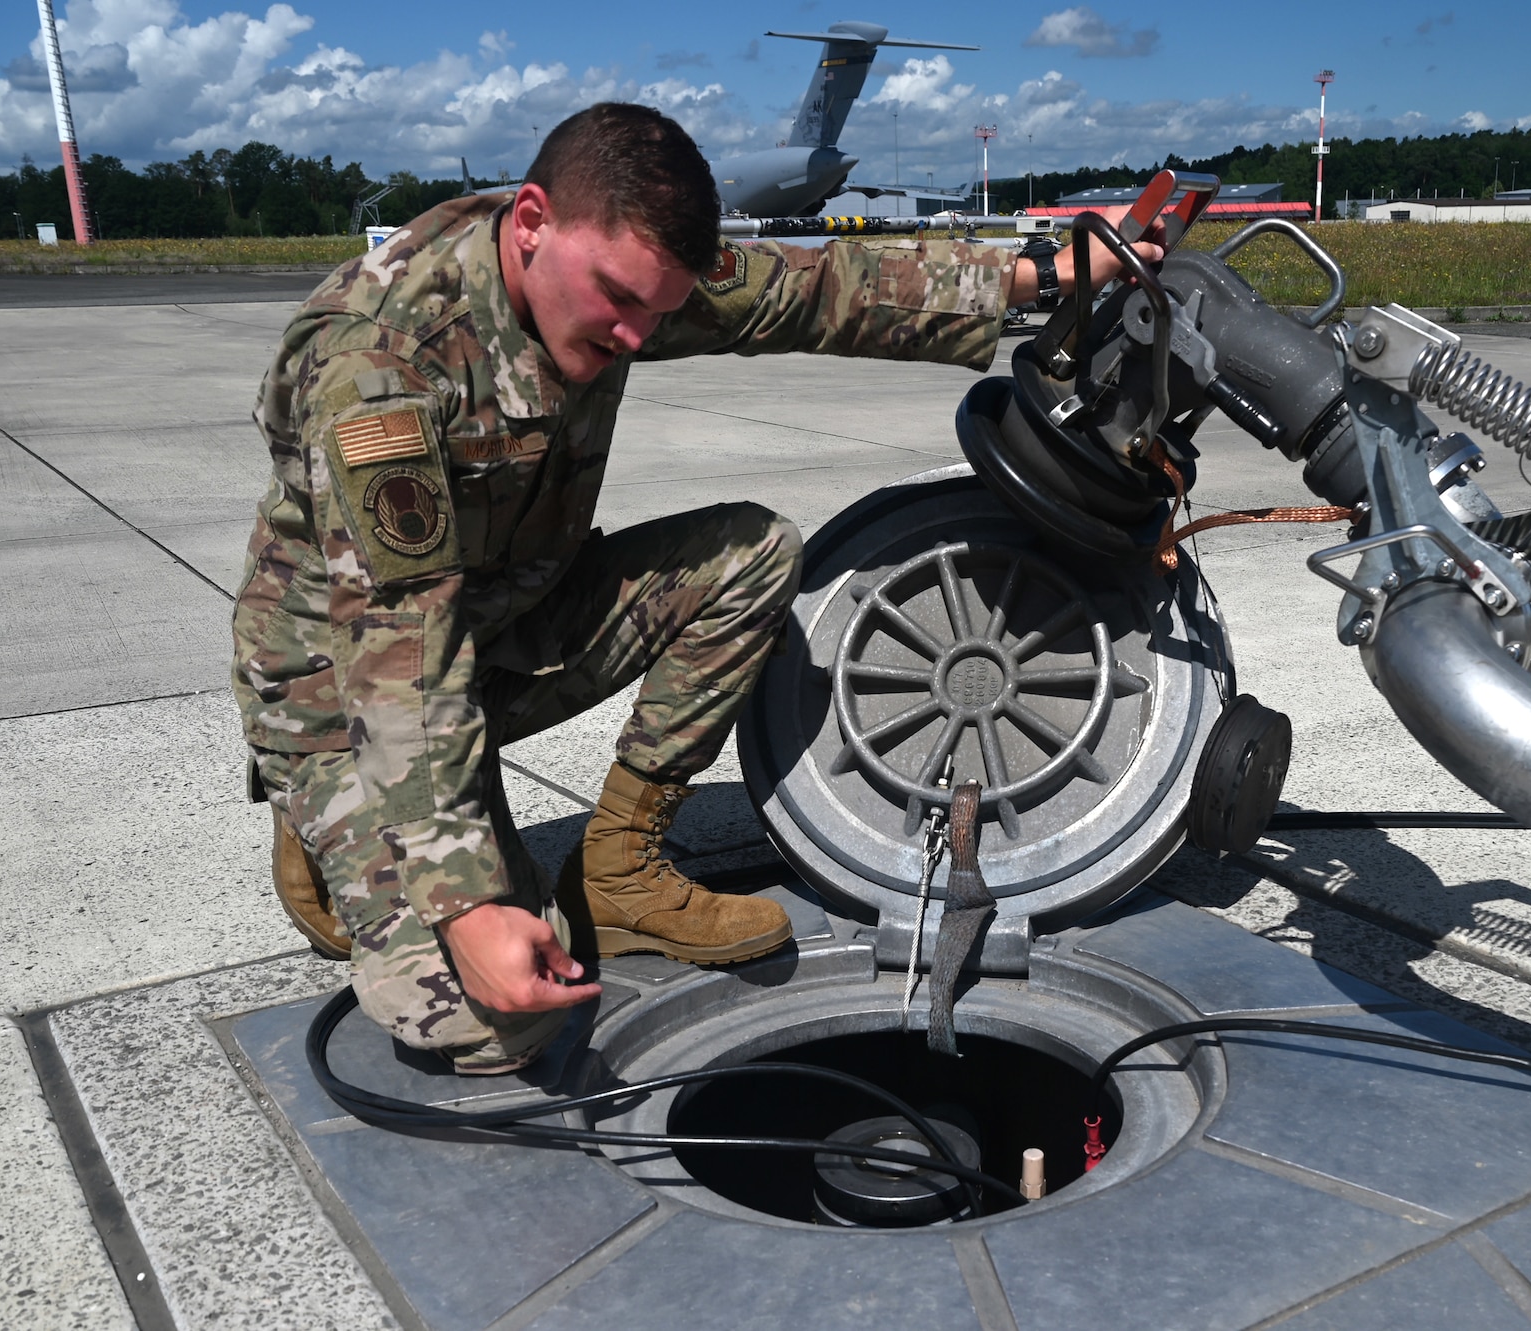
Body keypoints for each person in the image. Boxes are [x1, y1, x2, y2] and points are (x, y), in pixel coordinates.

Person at [234, 102, 1160, 1074]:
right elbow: (400, 657)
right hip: (346, 691)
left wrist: (1053, 269)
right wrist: (465, 905)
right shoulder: (379, 360)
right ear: (532, 221)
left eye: (655, 307)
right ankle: (315, 806)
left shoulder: (610, 281)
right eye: (615, 302)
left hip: (502, 621)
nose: (637, 335)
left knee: (751, 553)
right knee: (492, 1016)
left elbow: (817, 289)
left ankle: (621, 869)